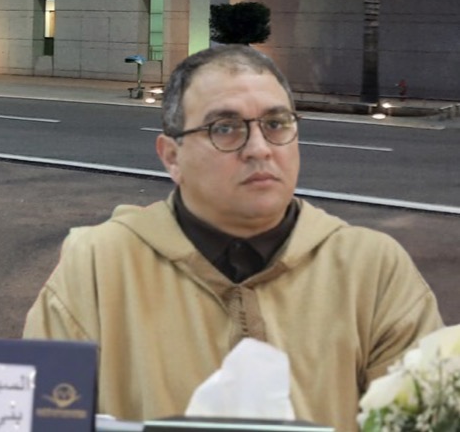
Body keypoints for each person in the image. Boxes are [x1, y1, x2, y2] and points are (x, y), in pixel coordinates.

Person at [22, 45, 442, 431]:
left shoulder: (373, 269)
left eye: (276, 124)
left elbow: (427, 417)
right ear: (172, 156)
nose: (259, 148)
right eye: (225, 128)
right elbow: (37, 421)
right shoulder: (95, 268)